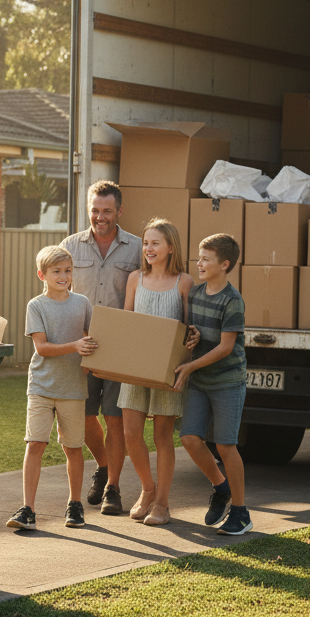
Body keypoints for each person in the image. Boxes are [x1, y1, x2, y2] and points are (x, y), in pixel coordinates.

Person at [60, 180, 141, 515]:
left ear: (119, 211)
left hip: (120, 346)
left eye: (107, 210)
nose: (100, 216)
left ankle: (113, 488)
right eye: (95, 210)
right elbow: (59, 288)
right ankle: (104, 465)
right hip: (82, 343)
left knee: (115, 417)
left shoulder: (137, 248)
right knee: (83, 414)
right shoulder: (70, 246)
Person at [6, 245, 97, 531]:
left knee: (73, 448)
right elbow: (42, 348)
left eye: (68, 271)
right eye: (56, 271)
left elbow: (96, 338)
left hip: (73, 388)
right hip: (42, 387)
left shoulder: (82, 303)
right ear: (41, 274)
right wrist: (75, 346)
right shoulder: (36, 306)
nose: (63, 276)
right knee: (35, 444)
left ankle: (75, 504)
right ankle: (28, 509)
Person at [173, 233, 252, 535]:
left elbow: (225, 347)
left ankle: (241, 513)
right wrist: (192, 337)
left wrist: (190, 366)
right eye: (199, 257)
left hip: (227, 383)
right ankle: (221, 488)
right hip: (201, 381)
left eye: (206, 259)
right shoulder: (195, 293)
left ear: (225, 264)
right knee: (190, 438)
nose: (199, 263)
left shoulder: (232, 300)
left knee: (225, 444)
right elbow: (197, 332)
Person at [118, 217, 193, 526]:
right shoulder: (135, 278)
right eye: (145, 242)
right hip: (135, 367)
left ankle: (162, 502)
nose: (148, 248)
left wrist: (187, 360)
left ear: (171, 247)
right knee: (131, 433)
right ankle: (147, 489)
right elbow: (126, 322)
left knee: (162, 436)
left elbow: (189, 332)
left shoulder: (185, 282)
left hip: (167, 371)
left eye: (155, 243)